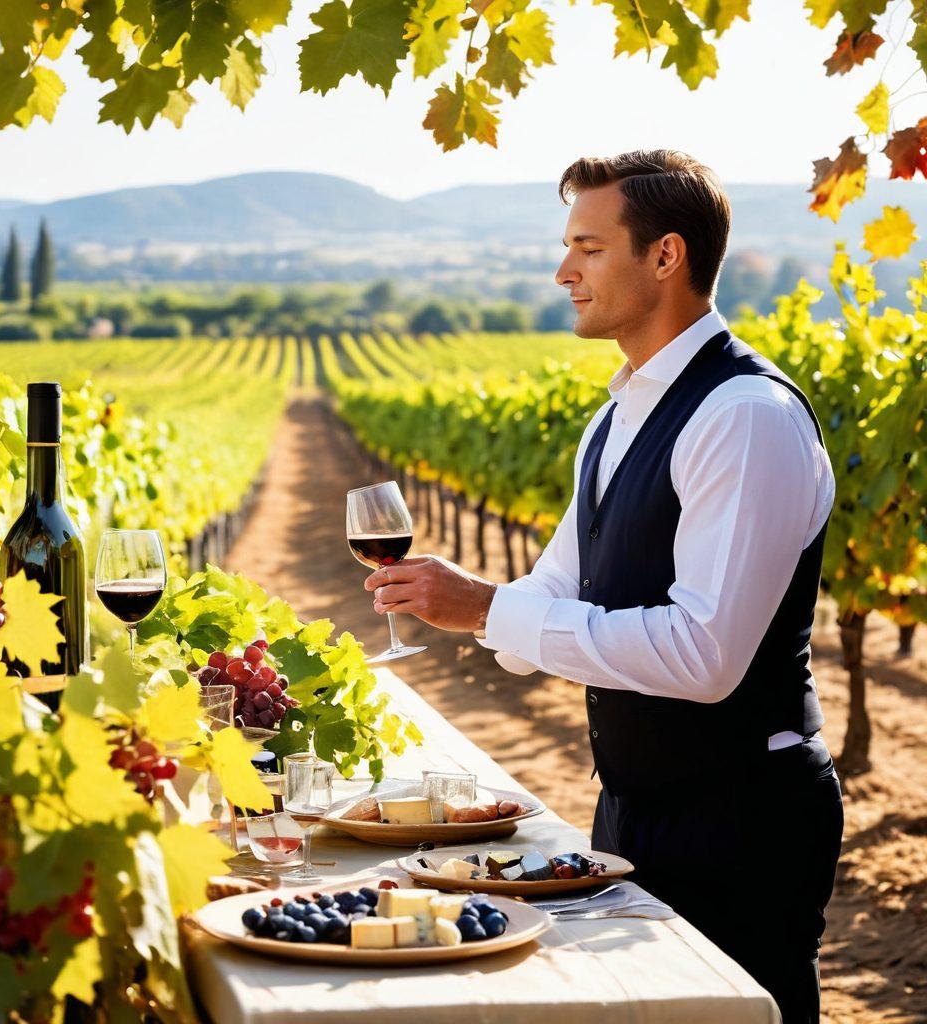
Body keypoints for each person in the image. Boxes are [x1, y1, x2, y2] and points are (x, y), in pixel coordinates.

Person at [362, 149, 844, 1023]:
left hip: (745, 818)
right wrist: (474, 609)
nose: (563, 271)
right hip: (632, 805)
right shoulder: (618, 415)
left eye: (587, 246)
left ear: (665, 256)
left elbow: (703, 657)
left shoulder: (745, 417)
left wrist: (485, 608)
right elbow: (550, 593)